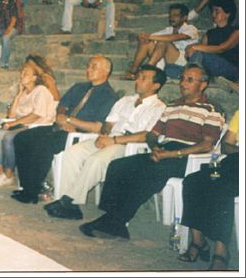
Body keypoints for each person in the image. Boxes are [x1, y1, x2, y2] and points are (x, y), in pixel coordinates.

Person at [79, 64, 225, 240]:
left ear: (203, 85)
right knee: (119, 166)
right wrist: (155, 146)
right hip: (164, 150)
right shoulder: (173, 105)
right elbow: (153, 134)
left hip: (188, 157)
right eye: (182, 78)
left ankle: (115, 221)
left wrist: (170, 155)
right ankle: (111, 218)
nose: (183, 83)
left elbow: (207, 145)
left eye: (190, 80)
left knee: (150, 172)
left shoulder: (212, 108)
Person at [45, 65, 167, 220]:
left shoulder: (159, 107)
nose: (137, 80)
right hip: (110, 137)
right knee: (72, 153)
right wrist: (103, 136)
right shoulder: (126, 100)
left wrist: (114, 140)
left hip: (129, 145)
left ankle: (68, 201)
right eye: (138, 76)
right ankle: (68, 203)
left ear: (156, 86)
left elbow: (146, 135)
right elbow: (109, 123)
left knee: (96, 160)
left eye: (143, 78)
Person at [11, 55, 118, 204]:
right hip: (60, 127)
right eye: (88, 66)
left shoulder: (109, 96)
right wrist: (61, 116)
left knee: (43, 145)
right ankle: (26, 186)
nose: (88, 69)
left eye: (93, 67)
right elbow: (62, 104)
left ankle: (32, 191)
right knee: (21, 138)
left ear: (106, 71)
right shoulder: (79, 87)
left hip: (80, 134)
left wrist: (71, 120)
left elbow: (98, 126)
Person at [179, 110, 239, 270]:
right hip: (236, 160)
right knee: (193, 181)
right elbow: (226, 145)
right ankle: (198, 241)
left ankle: (221, 251)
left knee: (224, 187)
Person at [0, 62, 58, 187]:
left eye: (25, 74)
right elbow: (12, 115)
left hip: (38, 127)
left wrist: (14, 123)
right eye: (21, 74)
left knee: (9, 137)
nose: (21, 76)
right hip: (24, 125)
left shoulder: (41, 90)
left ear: (34, 78)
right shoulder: (24, 93)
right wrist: (18, 95)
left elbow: (37, 115)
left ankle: (9, 174)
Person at [122, 4, 199, 81]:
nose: (172, 18)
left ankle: (148, 69)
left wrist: (149, 37)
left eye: (175, 15)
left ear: (184, 17)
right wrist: (143, 37)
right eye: (170, 15)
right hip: (164, 58)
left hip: (182, 61)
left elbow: (175, 37)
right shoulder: (168, 30)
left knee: (163, 42)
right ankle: (133, 72)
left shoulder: (191, 29)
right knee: (147, 43)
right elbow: (150, 37)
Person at [185, 0, 239, 84]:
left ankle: (192, 77)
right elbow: (199, 51)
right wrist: (191, 51)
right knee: (170, 68)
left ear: (227, 14)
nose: (213, 14)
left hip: (233, 70)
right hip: (211, 68)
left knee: (201, 54)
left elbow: (222, 48)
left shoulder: (237, 31)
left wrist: (194, 47)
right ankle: (199, 77)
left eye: (217, 11)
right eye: (212, 11)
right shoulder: (209, 33)